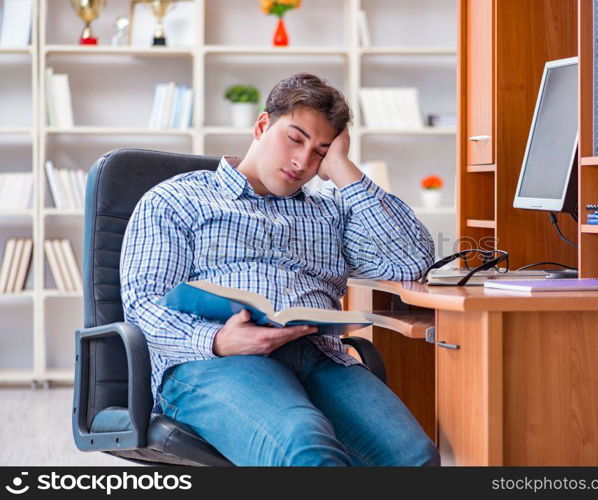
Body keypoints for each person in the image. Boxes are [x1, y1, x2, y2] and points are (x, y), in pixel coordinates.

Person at [120, 73, 439, 466]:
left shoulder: (330, 212)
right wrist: (218, 339)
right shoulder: (177, 199)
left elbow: (412, 260)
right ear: (262, 125)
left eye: (321, 151)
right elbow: (142, 305)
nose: (303, 162)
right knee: (305, 447)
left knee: (415, 458)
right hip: (216, 361)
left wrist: (343, 169)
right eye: (295, 138)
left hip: (318, 356)